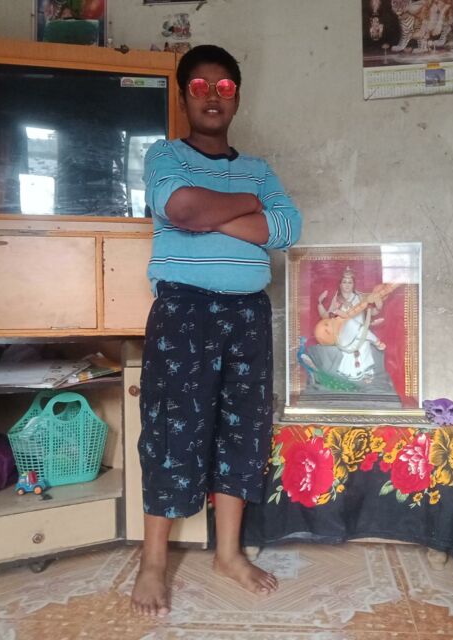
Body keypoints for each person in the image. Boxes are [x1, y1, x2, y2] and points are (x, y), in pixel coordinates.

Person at [131, 44, 302, 617]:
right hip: (184, 312)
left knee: (242, 431)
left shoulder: (260, 168)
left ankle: (228, 553)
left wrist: (215, 212)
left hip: (248, 314)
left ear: (237, 98)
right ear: (184, 97)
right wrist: (247, 207)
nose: (212, 96)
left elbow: (287, 228)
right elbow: (180, 208)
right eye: (200, 86)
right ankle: (153, 561)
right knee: (170, 431)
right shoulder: (164, 155)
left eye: (224, 87)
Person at [316, 266, 385, 381]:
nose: (347, 285)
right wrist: (320, 303)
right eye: (344, 282)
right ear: (340, 284)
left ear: (353, 284)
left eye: (350, 282)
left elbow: (372, 312)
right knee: (351, 323)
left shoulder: (360, 297)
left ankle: (364, 373)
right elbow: (326, 317)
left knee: (364, 342)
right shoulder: (337, 300)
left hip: (361, 334)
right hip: (343, 335)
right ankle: (375, 340)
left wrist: (378, 306)